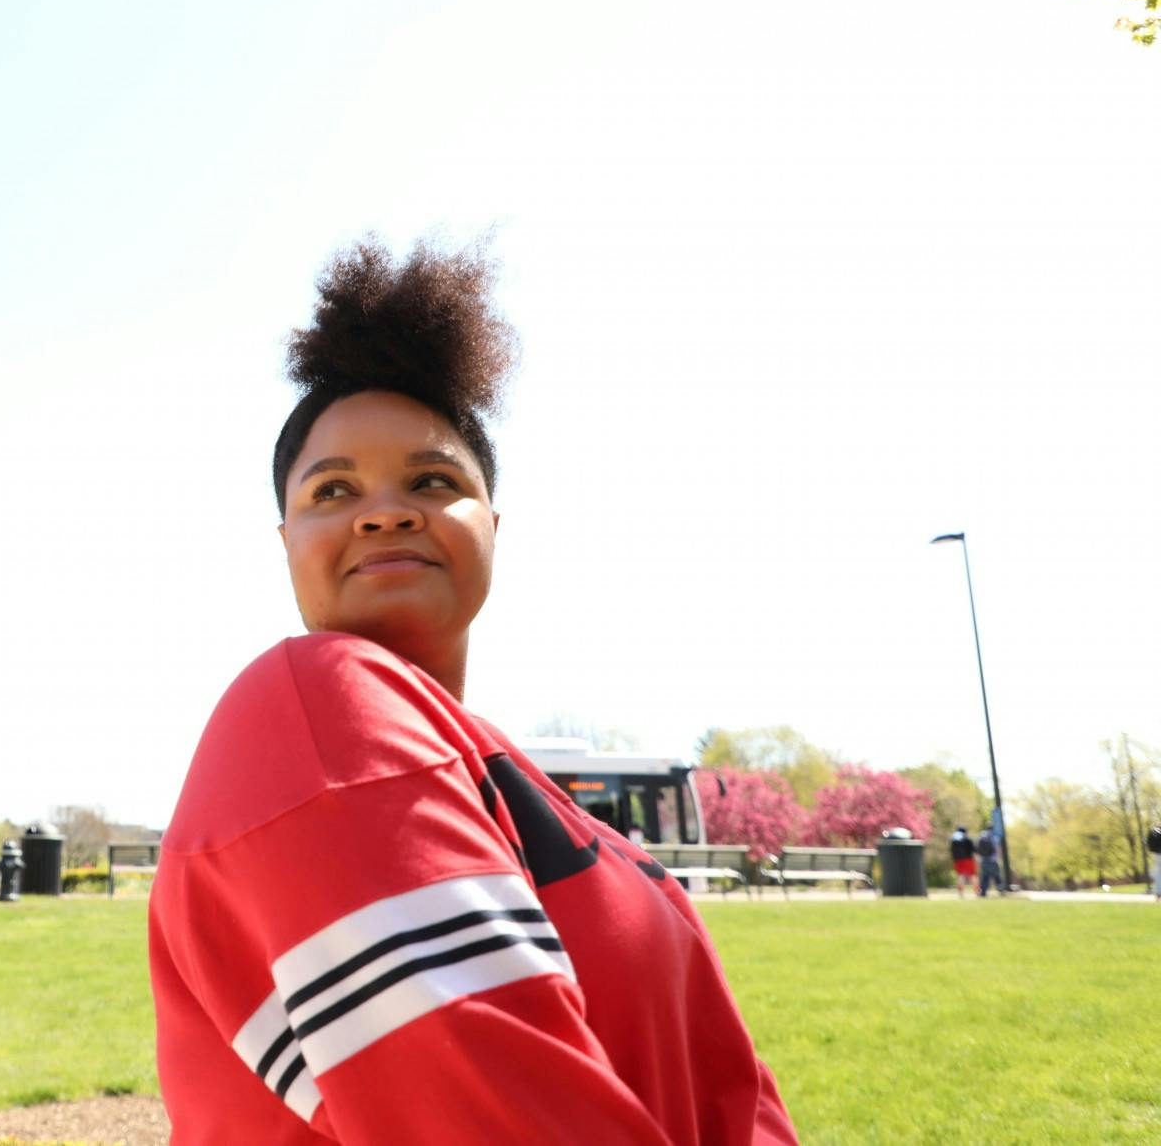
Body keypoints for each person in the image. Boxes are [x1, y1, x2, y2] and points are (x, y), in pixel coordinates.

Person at [149, 240, 798, 1144]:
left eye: (433, 480)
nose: (385, 509)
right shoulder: (304, 708)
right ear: (286, 539)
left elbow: (739, 1098)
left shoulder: (556, 809)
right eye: (333, 489)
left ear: (492, 524)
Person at [948, 825, 975, 898]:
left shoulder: (954, 840)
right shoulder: (967, 840)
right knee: (972, 875)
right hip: (968, 860)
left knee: (960, 876)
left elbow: (951, 850)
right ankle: (977, 891)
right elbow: (973, 850)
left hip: (957, 860)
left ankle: (961, 893)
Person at [975, 825, 1002, 897]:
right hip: (993, 860)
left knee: (985, 877)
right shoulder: (995, 837)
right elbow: (997, 849)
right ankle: (1001, 890)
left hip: (984, 860)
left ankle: (983, 892)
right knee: (997, 876)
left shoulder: (983, 836)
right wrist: (999, 857)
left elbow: (978, 848)